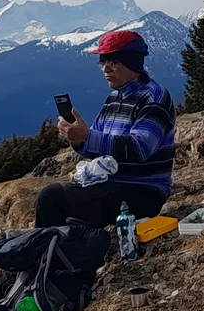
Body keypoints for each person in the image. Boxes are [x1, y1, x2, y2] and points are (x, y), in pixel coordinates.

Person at [37, 29, 176, 227]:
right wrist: (77, 138)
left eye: (113, 62)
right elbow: (93, 146)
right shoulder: (113, 99)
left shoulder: (154, 98)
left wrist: (88, 135)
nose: (106, 68)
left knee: (51, 198)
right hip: (112, 185)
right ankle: (52, 250)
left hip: (143, 192)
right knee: (65, 211)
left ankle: (41, 253)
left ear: (132, 63)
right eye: (103, 62)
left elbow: (139, 148)